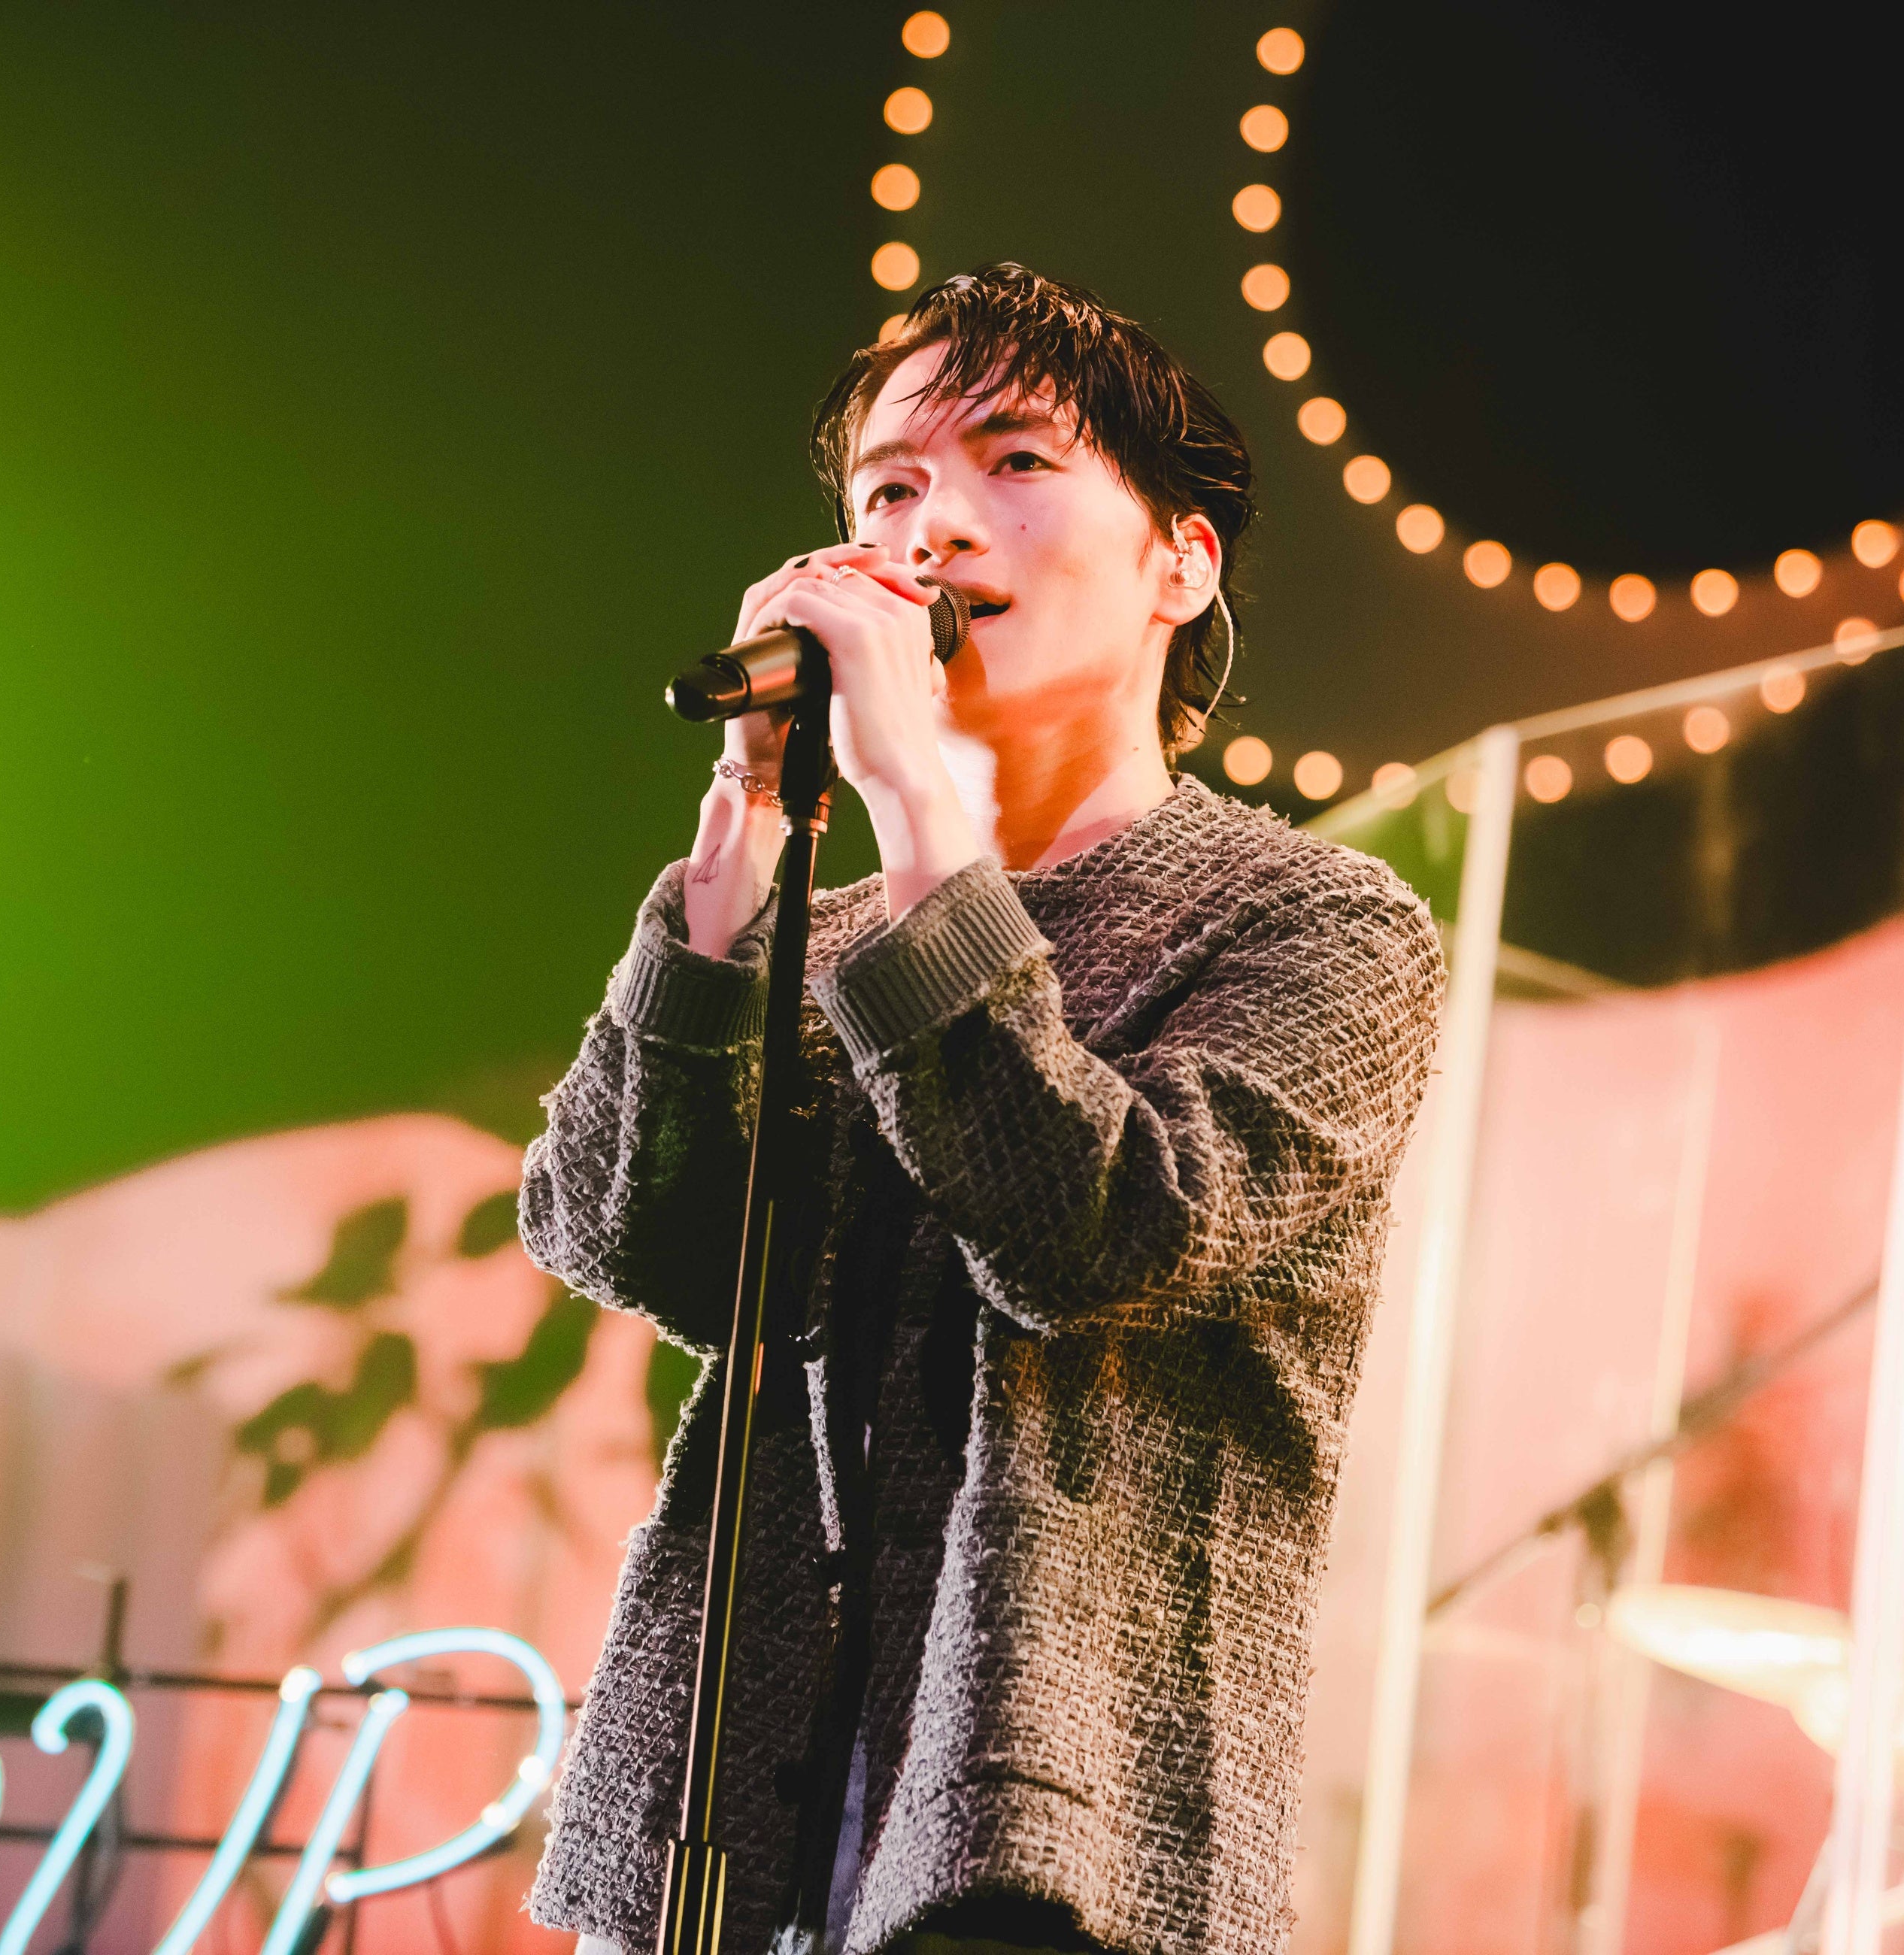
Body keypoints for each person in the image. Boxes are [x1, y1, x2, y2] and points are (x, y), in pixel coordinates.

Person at [518, 265, 1446, 1955]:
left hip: (1059, 1838)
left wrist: (915, 806)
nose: (931, 526)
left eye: (1015, 462)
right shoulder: (821, 932)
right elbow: (624, 1235)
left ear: (1182, 563)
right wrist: (739, 854)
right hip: (723, 1833)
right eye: (888, 487)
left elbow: (1093, 1234)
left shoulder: (1316, 924)